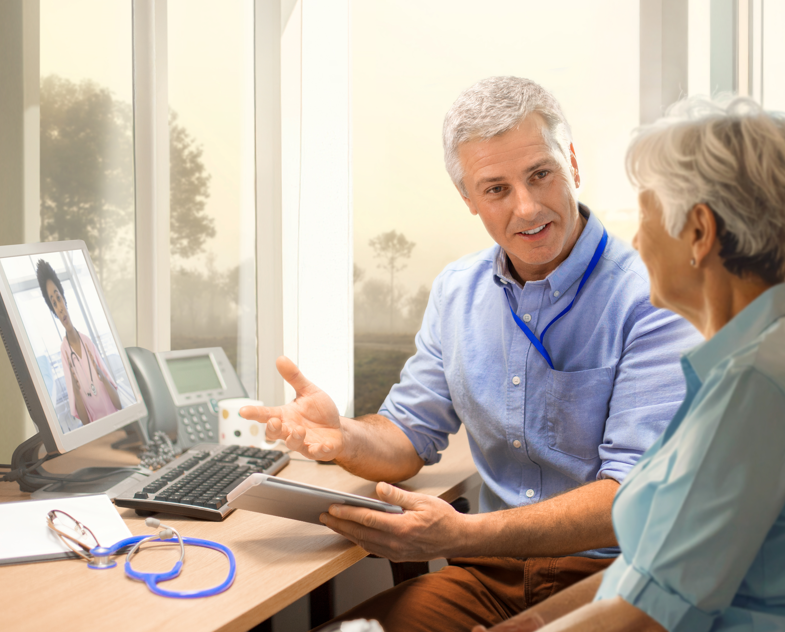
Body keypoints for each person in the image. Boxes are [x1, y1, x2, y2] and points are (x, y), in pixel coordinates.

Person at [242, 76, 701, 632]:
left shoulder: (654, 295)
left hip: (611, 579)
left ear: (572, 164)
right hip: (487, 576)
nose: (526, 207)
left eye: (540, 174)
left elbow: (631, 497)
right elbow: (408, 436)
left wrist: (461, 535)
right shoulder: (456, 291)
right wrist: (343, 436)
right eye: (496, 189)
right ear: (468, 200)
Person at [482, 96, 785, 632]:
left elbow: (647, 614)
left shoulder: (758, 386)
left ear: (699, 232)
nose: (636, 240)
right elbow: (644, 573)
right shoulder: (769, 354)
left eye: (646, 215)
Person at [36, 259, 122, 427]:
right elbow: (85, 421)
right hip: (98, 433)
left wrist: (100, 374)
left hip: (117, 423)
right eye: (54, 303)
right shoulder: (65, 353)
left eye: (59, 298)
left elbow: (118, 404)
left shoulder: (87, 342)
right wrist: (75, 390)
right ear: (54, 311)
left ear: (64, 299)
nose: (59, 307)